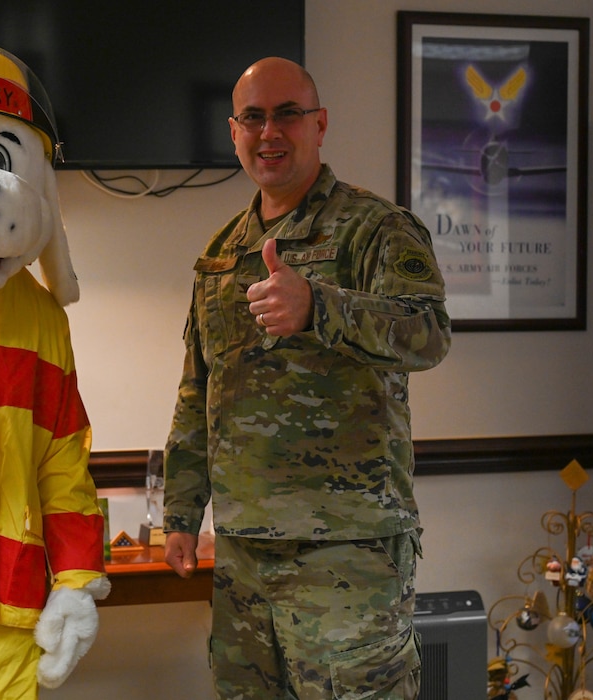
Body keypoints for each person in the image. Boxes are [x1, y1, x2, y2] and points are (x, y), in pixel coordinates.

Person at [162, 57, 451, 699]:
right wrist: (181, 512)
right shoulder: (222, 251)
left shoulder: (375, 227)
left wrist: (320, 308)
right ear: (233, 131)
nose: (270, 132)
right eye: (254, 117)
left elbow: (429, 333)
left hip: (346, 548)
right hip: (243, 551)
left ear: (319, 125)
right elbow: (198, 389)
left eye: (288, 114)